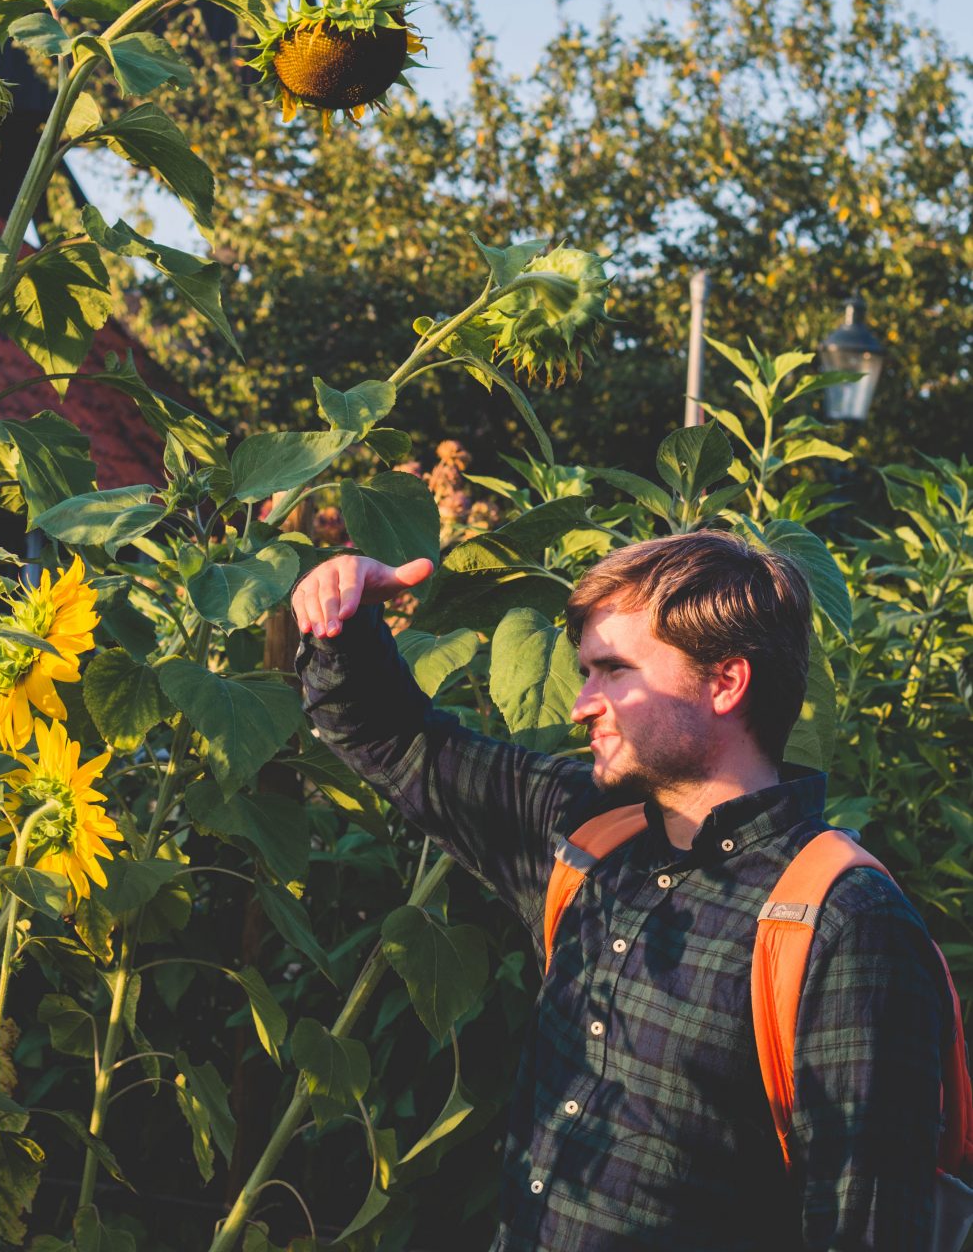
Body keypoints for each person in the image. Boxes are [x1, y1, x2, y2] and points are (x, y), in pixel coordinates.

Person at [292, 529, 952, 1250]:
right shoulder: (587, 833)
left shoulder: (842, 923)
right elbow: (397, 740)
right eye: (586, 672)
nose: (581, 704)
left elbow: (866, 1226)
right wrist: (342, 618)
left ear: (725, 683)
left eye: (612, 671)